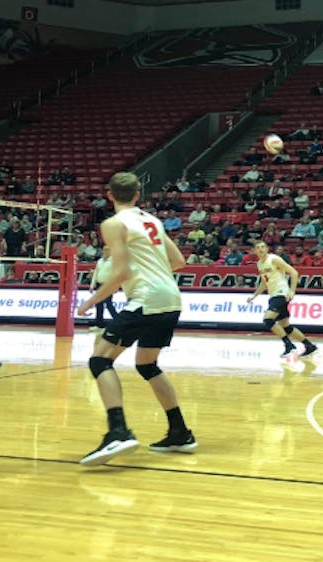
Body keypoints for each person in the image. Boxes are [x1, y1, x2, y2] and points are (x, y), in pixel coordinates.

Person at [75, 172, 195, 466]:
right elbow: (179, 261)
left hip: (146, 298)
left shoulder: (114, 224)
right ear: (138, 196)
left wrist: (90, 301)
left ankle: (118, 431)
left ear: (110, 195)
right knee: (147, 364)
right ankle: (180, 432)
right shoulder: (152, 221)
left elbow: (119, 273)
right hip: (171, 297)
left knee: (100, 360)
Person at [246, 241, 318, 359]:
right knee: (286, 326)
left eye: (263, 247)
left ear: (267, 248)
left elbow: (294, 272)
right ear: (254, 251)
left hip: (282, 293)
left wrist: (292, 291)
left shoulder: (274, 259)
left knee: (268, 319)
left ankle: (288, 345)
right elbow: (264, 282)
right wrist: (254, 296)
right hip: (273, 294)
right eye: (258, 248)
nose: (261, 249)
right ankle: (309, 346)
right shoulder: (259, 264)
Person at [89, 246, 119, 331]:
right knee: (99, 305)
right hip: (99, 285)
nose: (106, 251)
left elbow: (116, 274)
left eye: (108, 250)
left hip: (108, 285)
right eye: (104, 250)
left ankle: (118, 323)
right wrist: (92, 285)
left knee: (109, 304)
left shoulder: (114, 261)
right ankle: (99, 325)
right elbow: (95, 273)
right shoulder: (100, 261)